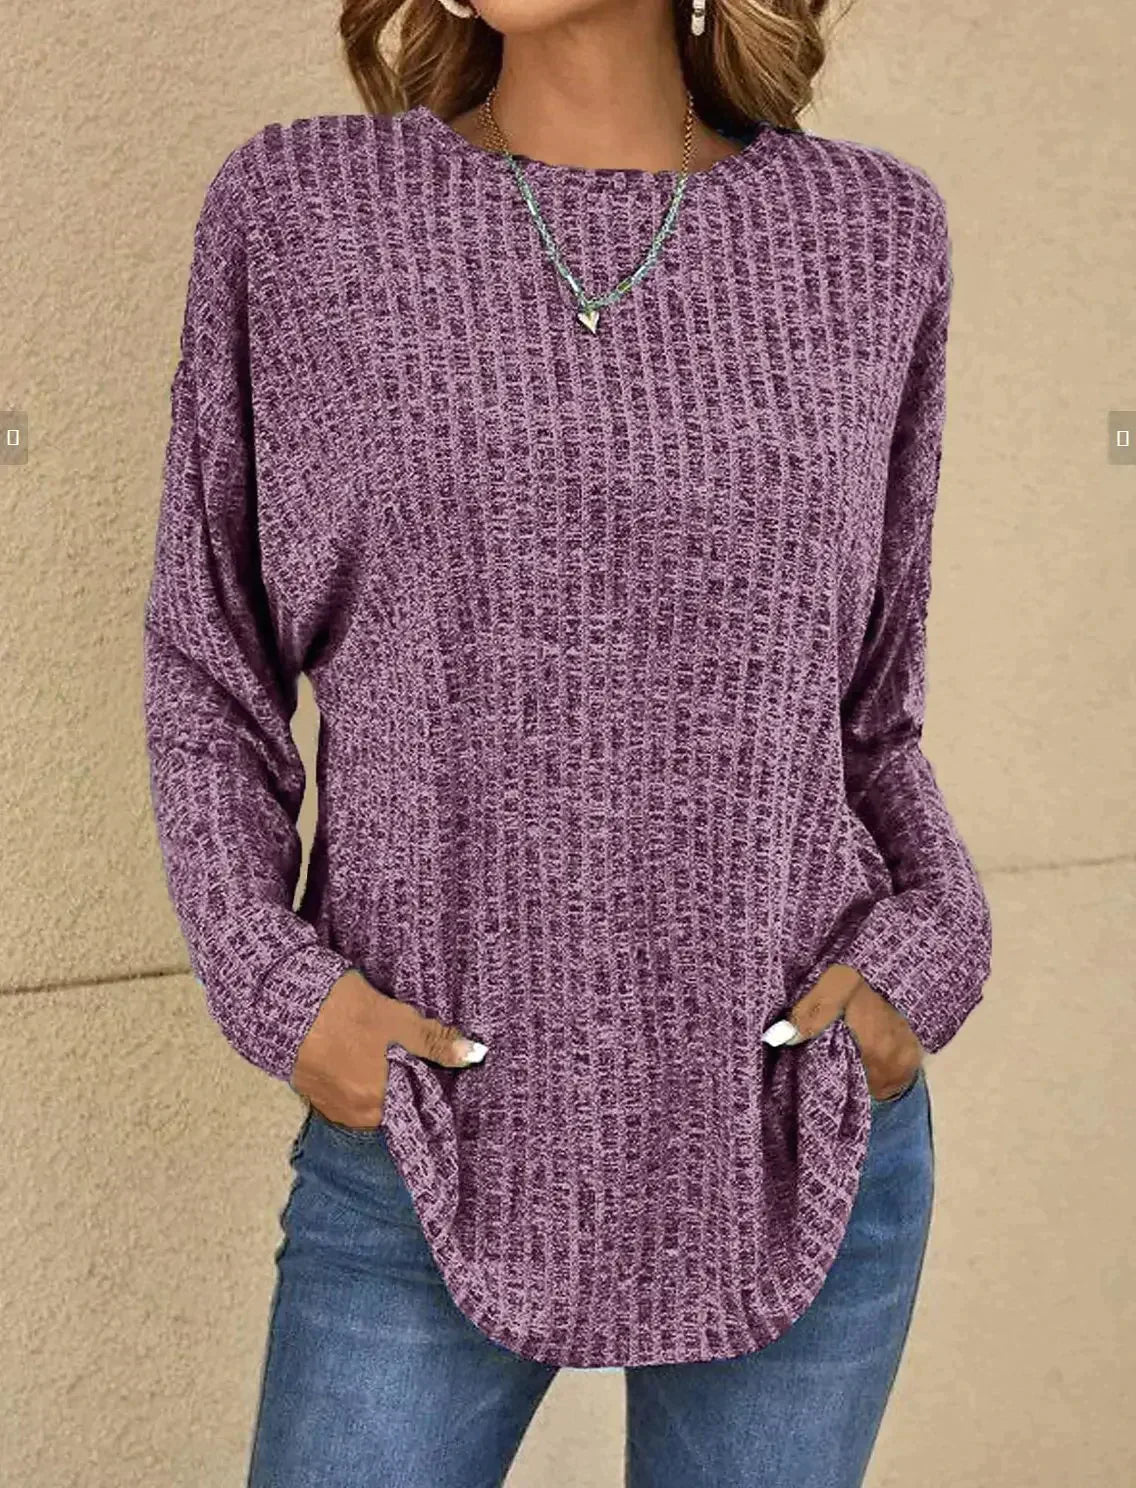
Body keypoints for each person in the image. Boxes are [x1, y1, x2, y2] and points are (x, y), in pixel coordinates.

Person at [142, 0, 993, 1483]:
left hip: (798, 1129)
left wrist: (929, 959)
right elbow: (209, 663)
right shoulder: (302, 215)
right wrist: (283, 991)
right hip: (425, 1140)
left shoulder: (873, 236)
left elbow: (871, 715)